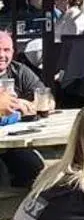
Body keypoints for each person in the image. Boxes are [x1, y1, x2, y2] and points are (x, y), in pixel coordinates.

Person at [0, 28, 51, 191]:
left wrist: (33, 105)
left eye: (6, 50)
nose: (2, 55)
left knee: (34, 168)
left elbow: (46, 98)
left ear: (13, 52)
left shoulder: (19, 71)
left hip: (12, 142)